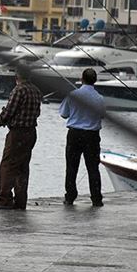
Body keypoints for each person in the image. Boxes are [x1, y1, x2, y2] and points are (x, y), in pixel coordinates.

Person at [0, 66, 42, 210]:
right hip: (31, 133)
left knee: (8, 165)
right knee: (23, 167)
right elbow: (36, 113)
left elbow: (9, 112)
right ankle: (20, 200)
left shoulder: (19, 90)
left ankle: (5, 199)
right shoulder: (36, 91)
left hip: (17, 134)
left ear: (17, 76)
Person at [59, 68, 106, 207]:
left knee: (71, 167)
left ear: (82, 78)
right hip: (92, 136)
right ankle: (96, 198)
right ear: (95, 81)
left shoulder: (73, 95)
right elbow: (102, 115)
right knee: (93, 167)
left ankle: (70, 196)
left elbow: (63, 114)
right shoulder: (100, 98)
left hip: (74, 133)